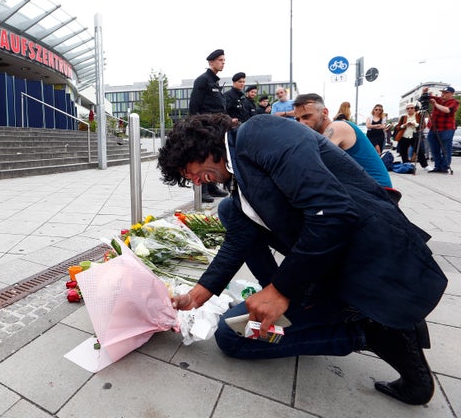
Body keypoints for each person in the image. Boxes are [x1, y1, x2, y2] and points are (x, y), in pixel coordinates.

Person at [158, 113, 447, 406]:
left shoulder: (260, 133)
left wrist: (280, 291)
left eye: (188, 171)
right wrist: (200, 292)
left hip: (371, 263)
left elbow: (332, 212)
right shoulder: (240, 178)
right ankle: (341, 317)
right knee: (231, 215)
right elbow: (238, 241)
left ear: (201, 148)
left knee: (231, 337)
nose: (194, 181)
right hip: (324, 268)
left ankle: (366, 330)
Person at [293, 93, 392, 188]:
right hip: (363, 191)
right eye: (297, 119)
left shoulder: (337, 127)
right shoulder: (321, 134)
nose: (301, 123)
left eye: (306, 116)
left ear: (324, 113)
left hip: (379, 194)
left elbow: (312, 163)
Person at [188, 49, 229, 201]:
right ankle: (202, 189)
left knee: (215, 157)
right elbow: (194, 106)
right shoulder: (203, 80)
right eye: (220, 60)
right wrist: (199, 127)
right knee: (204, 157)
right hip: (206, 127)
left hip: (216, 127)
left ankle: (211, 186)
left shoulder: (214, 82)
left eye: (224, 60)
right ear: (211, 62)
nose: (223, 63)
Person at [424, 86, 459, 174]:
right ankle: (437, 166)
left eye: (446, 93)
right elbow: (424, 98)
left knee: (446, 149)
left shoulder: (454, 102)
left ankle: (444, 167)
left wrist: (435, 104)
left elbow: (447, 110)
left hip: (446, 128)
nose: (443, 94)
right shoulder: (438, 99)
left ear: (451, 94)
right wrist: (424, 92)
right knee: (434, 149)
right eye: (442, 92)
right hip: (433, 128)